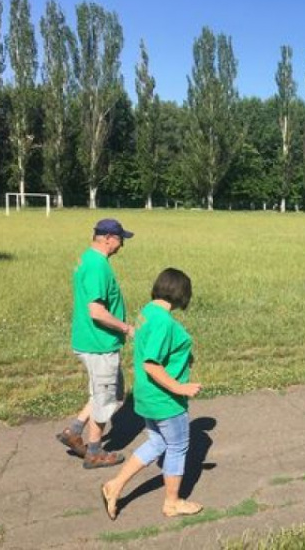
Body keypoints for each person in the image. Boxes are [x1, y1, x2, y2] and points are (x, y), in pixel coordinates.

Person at [101, 268, 203, 520]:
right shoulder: (164, 322)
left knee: (157, 443)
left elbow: (152, 348)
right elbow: (151, 363)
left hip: (146, 396)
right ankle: (172, 502)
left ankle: (114, 485)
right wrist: (181, 388)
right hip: (165, 399)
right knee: (177, 447)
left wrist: (182, 356)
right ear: (182, 293)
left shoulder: (147, 312)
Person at [56, 218, 135, 469]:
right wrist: (126, 328)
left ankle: (74, 431)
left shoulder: (88, 259)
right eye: (120, 239)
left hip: (92, 341)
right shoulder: (98, 267)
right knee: (105, 399)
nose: (121, 245)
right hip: (98, 344)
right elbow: (97, 312)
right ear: (108, 238)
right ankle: (94, 452)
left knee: (106, 392)